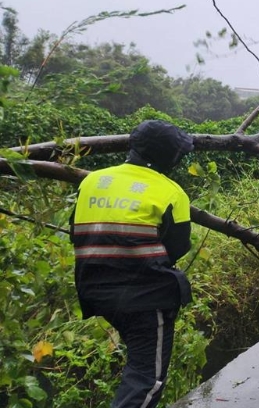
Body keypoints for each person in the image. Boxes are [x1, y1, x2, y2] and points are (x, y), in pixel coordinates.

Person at [70, 119, 195, 407]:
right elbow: (178, 247)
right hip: (145, 300)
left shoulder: (91, 181)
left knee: (137, 366)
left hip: (94, 292)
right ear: (170, 156)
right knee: (146, 378)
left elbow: (75, 231)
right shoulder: (172, 192)